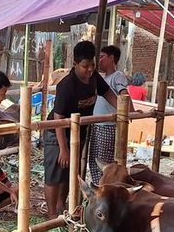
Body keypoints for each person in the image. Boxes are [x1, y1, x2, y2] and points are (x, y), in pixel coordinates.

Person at [43, 40, 118, 219]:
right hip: (57, 134)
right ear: (75, 64)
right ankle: (52, 215)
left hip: (79, 133)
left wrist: (126, 111)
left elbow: (108, 93)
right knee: (55, 174)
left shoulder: (94, 78)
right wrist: (63, 148)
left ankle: (63, 206)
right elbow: (58, 118)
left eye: (92, 65)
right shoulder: (67, 85)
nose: (90, 69)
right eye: (85, 66)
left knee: (71, 172)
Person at [89, 45, 129, 183]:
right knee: (94, 159)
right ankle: (98, 186)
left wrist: (131, 111)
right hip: (97, 125)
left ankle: (107, 187)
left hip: (108, 126)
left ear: (112, 58)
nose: (99, 61)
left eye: (102, 57)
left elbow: (124, 96)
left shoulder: (117, 76)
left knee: (105, 162)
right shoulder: (101, 78)